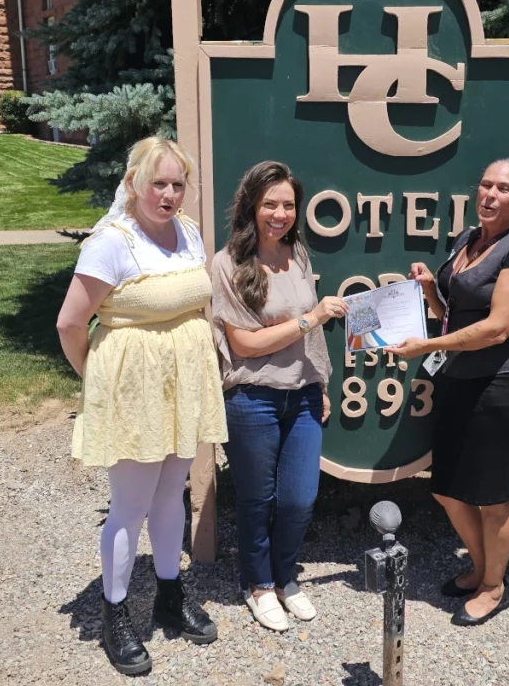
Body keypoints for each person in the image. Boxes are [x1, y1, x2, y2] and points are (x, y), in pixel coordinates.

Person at [56, 137, 228, 675]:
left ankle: (170, 598)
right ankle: (116, 615)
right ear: (133, 183)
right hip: (134, 391)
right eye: (159, 183)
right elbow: (68, 324)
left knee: (172, 495)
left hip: (181, 387)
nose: (170, 194)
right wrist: (99, 382)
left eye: (178, 184)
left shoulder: (189, 232)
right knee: (129, 504)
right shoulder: (110, 243)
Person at [385, 159, 509, 626]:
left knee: (492, 495)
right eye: (486, 184)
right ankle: (479, 568)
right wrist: (432, 289)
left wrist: (428, 345)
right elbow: (456, 314)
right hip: (456, 377)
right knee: (448, 488)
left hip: (499, 383)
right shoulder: (467, 241)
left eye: (504, 188)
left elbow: (497, 329)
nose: (491, 194)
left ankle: (495, 586)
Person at [210, 161, 346, 633]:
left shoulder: (298, 254)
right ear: (252, 204)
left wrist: (322, 381)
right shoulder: (227, 263)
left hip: (303, 394)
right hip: (253, 399)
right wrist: (311, 319)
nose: (280, 213)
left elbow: (302, 336)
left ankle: (286, 577)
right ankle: (259, 585)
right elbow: (244, 344)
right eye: (270, 204)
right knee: (255, 499)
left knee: (299, 499)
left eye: (288, 205)